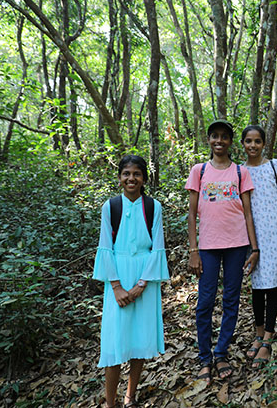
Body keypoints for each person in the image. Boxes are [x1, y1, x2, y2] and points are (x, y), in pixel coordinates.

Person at [186, 119, 259, 385]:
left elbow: (248, 213)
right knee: (205, 302)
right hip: (207, 247)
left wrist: (254, 247)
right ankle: (204, 357)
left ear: (230, 141)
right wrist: (193, 250)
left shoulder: (240, 172)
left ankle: (221, 353)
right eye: (214, 136)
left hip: (237, 245)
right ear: (209, 140)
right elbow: (192, 214)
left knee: (231, 300)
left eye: (224, 137)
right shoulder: (199, 171)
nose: (219, 141)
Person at [93, 155, 170, 408]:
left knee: (140, 340)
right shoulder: (110, 207)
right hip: (117, 276)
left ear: (144, 178)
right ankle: (110, 402)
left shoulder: (153, 207)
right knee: (114, 343)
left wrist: (142, 284)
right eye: (126, 174)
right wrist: (116, 287)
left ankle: (130, 396)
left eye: (137, 174)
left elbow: (157, 246)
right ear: (119, 178)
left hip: (145, 277)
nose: (131, 178)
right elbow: (105, 247)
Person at [241, 125, 277, 368]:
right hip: (253, 235)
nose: (253, 145)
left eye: (257, 141)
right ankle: (258, 333)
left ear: (264, 144)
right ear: (243, 144)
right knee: (257, 285)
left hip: (275, 232)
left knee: (272, 285)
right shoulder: (240, 170)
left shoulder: (274, 165)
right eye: (248, 141)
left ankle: (268, 339)